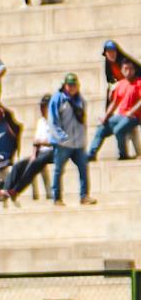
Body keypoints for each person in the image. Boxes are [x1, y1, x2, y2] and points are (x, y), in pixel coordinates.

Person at [49, 73, 97, 206]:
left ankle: (84, 196)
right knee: (58, 170)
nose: (71, 87)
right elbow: (53, 122)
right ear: (65, 85)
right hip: (63, 143)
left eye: (74, 85)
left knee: (83, 168)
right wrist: (62, 138)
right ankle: (57, 198)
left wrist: (83, 138)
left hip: (78, 143)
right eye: (69, 85)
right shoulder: (57, 99)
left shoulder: (80, 100)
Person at [1, 94, 55, 203]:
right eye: (44, 107)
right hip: (40, 152)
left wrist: (42, 143)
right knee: (18, 165)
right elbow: (36, 141)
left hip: (53, 151)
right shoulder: (40, 122)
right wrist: (33, 154)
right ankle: (5, 191)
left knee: (34, 165)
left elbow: (57, 142)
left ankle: (16, 190)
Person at [88, 59, 141, 161]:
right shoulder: (121, 84)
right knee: (101, 128)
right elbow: (115, 103)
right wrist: (106, 116)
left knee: (118, 130)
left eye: (131, 69)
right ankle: (91, 154)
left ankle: (123, 155)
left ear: (134, 70)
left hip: (133, 117)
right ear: (122, 70)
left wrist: (132, 112)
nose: (129, 71)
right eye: (126, 69)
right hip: (121, 116)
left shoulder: (138, 83)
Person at [102, 41, 137, 109]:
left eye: (113, 51)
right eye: (108, 52)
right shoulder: (108, 63)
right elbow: (109, 79)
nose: (111, 54)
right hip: (119, 86)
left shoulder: (124, 61)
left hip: (132, 84)